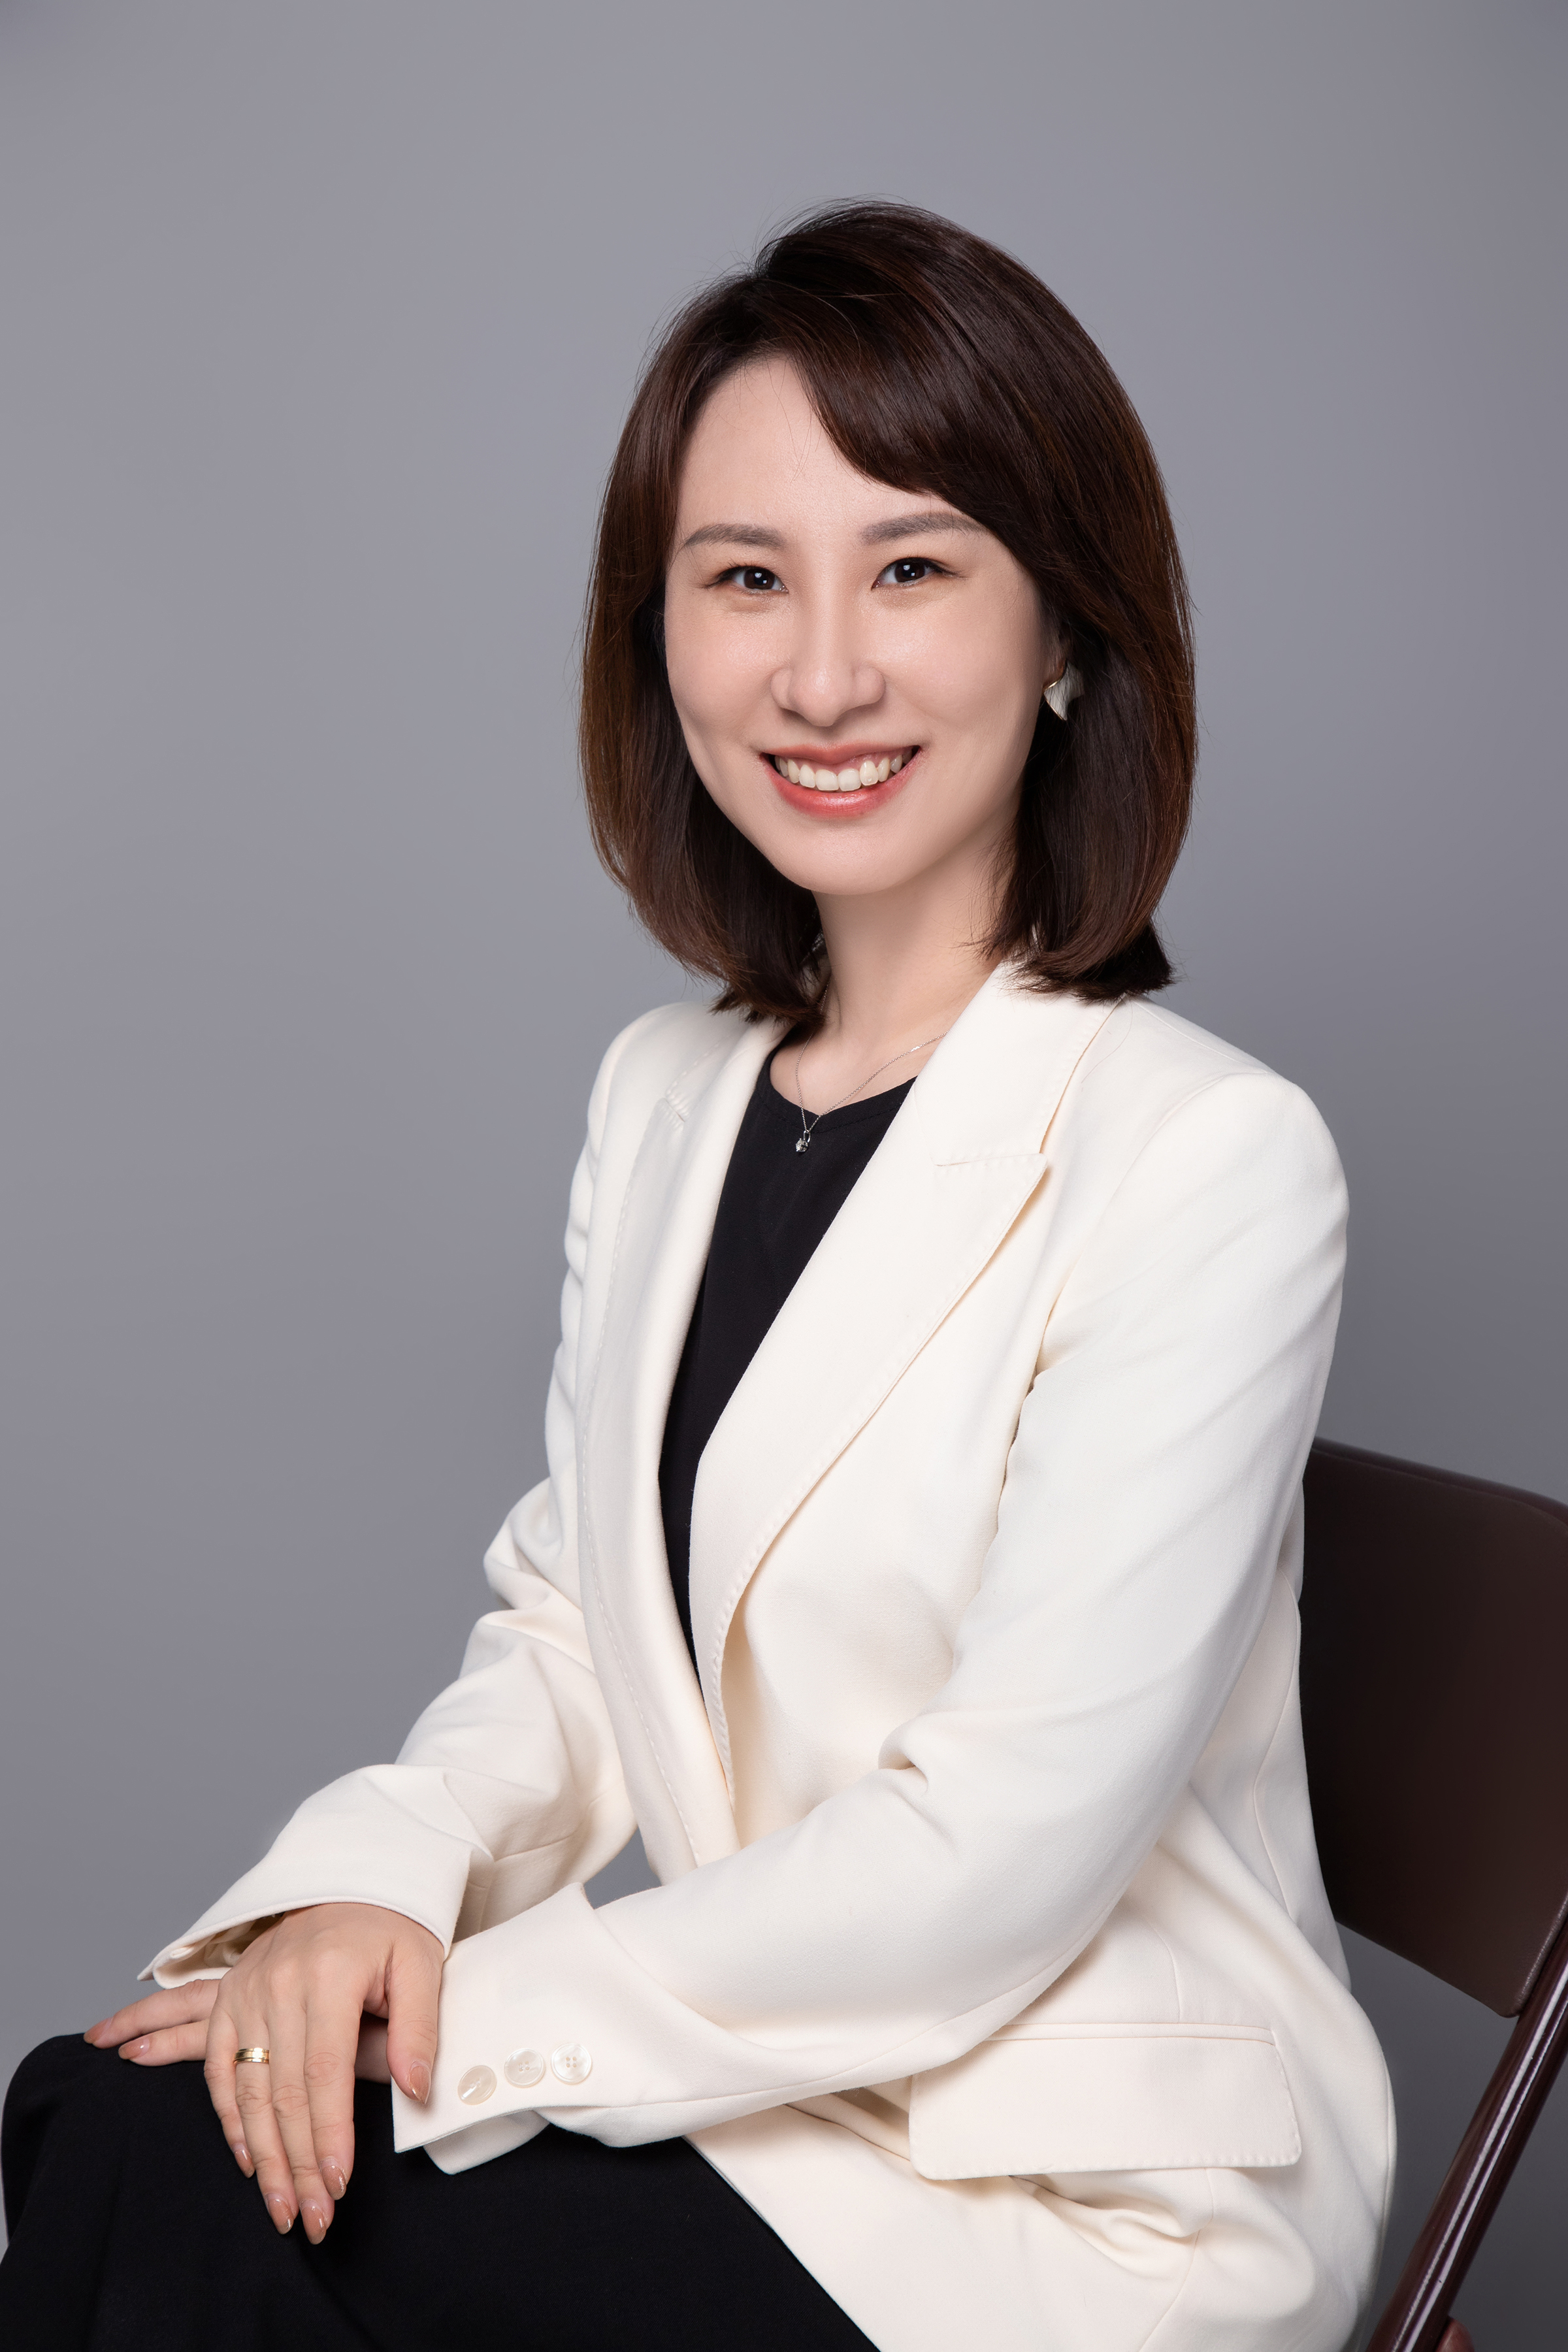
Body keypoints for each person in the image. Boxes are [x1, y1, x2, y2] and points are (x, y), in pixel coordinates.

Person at [0, 201, 1394, 2351]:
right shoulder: (670, 1094)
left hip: (1075, 2193)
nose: (821, 675)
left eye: (912, 569)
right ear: (656, 634)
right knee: (103, 2116)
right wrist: (369, 1885)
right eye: (746, 578)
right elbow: (575, 1631)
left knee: (182, 2183)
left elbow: (994, 1857)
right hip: (785, 2096)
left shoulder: (1206, 1156)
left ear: (1065, 632)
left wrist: (456, 2020)